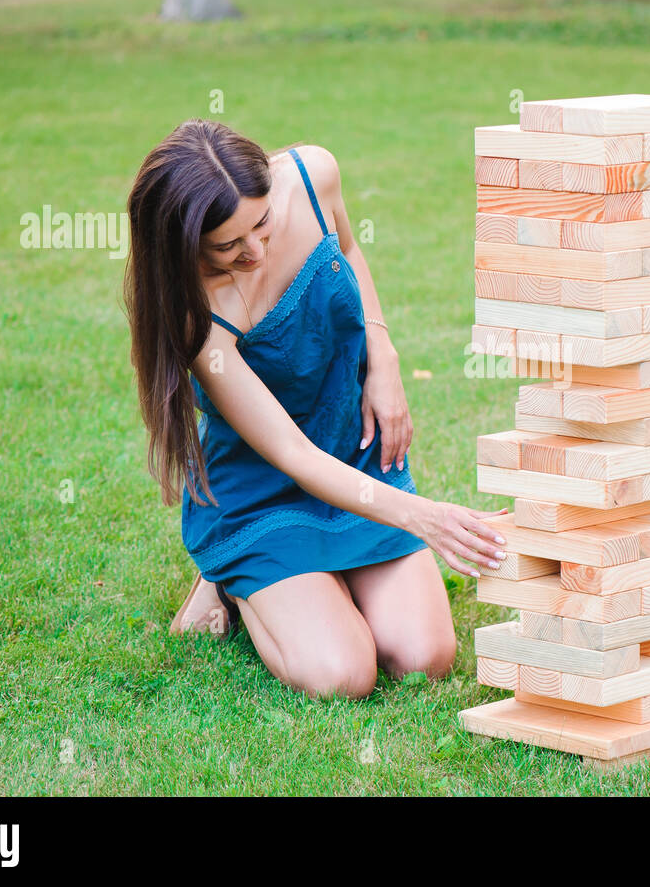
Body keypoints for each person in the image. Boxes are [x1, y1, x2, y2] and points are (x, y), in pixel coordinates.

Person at [123, 119, 507, 699]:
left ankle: (325, 579)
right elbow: (292, 456)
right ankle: (232, 577)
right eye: (227, 246)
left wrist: (383, 353)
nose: (255, 251)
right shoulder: (195, 316)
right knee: (342, 676)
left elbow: (347, 249)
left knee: (424, 658)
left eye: (262, 224)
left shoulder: (311, 174)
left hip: (352, 454)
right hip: (265, 490)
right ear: (184, 244)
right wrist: (421, 515)